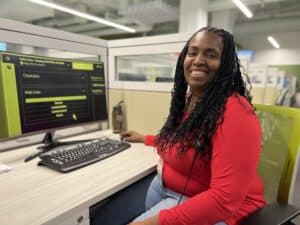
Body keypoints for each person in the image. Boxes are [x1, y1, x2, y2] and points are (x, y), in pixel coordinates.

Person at [120, 26, 266, 225]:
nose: (198, 60)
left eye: (211, 54)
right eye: (192, 52)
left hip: (210, 206)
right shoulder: (191, 100)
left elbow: (223, 200)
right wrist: (144, 138)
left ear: (225, 65)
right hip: (169, 189)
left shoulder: (236, 112)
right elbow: (180, 142)